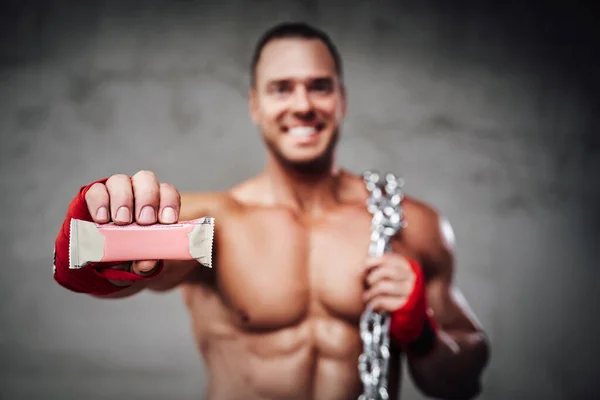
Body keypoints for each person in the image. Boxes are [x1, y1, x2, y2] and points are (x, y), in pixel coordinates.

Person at [53, 22, 490, 400]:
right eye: (281, 89)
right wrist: (96, 242)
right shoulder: (215, 223)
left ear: (342, 100)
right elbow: (123, 272)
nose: (302, 105)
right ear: (255, 106)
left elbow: (459, 384)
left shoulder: (411, 225)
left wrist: (423, 332)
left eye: (319, 86)